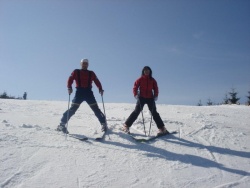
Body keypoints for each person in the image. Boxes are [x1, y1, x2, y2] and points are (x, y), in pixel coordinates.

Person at [57, 58, 107, 134]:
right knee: (73, 109)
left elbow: (97, 81)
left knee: (96, 109)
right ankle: (62, 124)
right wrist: (69, 87)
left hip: (88, 92)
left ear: (88, 65)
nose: (85, 65)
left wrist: (100, 89)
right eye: (83, 63)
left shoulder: (91, 73)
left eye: (86, 63)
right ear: (81, 64)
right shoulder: (76, 71)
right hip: (79, 92)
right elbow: (70, 79)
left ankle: (103, 124)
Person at [122, 66, 169, 136]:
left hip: (150, 98)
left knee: (154, 112)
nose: (146, 71)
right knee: (136, 111)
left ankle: (162, 128)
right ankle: (126, 126)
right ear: (143, 72)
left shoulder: (152, 80)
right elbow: (135, 87)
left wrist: (156, 95)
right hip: (141, 97)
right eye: (145, 70)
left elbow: (156, 88)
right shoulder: (140, 79)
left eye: (148, 70)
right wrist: (135, 94)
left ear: (150, 71)